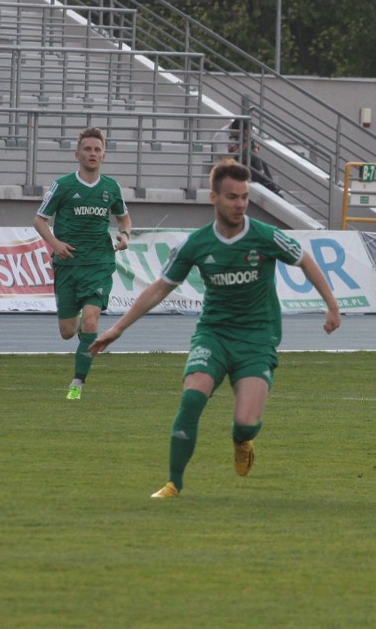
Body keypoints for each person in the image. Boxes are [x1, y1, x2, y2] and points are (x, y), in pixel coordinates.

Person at [89, 160, 341, 497]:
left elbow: (305, 260)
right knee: (191, 400)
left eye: (244, 197)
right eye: (232, 197)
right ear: (214, 198)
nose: (240, 204)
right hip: (214, 334)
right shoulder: (196, 244)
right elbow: (159, 288)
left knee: (245, 424)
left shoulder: (265, 236)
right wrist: (118, 329)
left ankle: (242, 440)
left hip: (257, 338)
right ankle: (173, 483)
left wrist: (332, 305)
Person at [33, 126, 132, 401]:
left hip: (99, 264)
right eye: (87, 149)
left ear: (104, 155)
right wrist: (55, 244)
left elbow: (124, 218)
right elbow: (39, 220)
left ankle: (77, 383)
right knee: (67, 332)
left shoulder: (111, 187)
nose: (92, 153)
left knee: (90, 322)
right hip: (68, 266)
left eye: (97, 149)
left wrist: (124, 235)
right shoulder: (63, 185)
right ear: (77, 154)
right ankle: (76, 323)